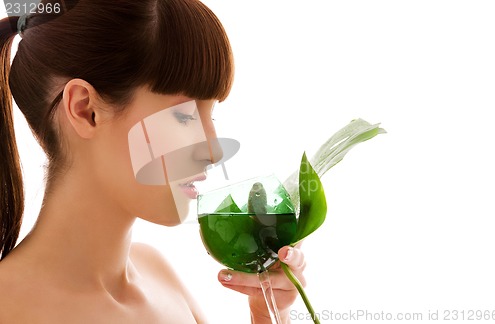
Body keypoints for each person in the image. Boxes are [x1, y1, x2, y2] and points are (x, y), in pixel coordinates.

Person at [0, 0, 306, 323]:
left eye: (210, 114)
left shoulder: (159, 275)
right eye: (184, 116)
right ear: (85, 110)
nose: (214, 151)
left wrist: (269, 313)